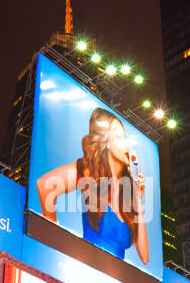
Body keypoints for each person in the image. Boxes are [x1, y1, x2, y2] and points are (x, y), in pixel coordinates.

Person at [34, 106, 151, 264]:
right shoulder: (91, 173)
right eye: (118, 137)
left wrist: (137, 198)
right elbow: (44, 185)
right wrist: (55, 239)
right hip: (86, 271)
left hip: (119, 281)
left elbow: (144, 256)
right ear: (107, 143)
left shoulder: (128, 193)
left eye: (125, 138)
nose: (125, 145)